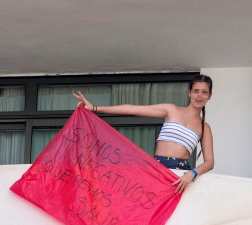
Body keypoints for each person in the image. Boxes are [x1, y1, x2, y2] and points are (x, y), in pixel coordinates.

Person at [72, 74, 214, 193]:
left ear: (209, 96)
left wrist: (192, 173)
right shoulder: (171, 110)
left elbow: (209, 162)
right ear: (189, 92)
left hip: (181, 175)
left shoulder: (204, 127)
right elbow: (132, 109)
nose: (199, 95)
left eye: (204, 92)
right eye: (196, 91)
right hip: (158, 167)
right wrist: (95, 108)